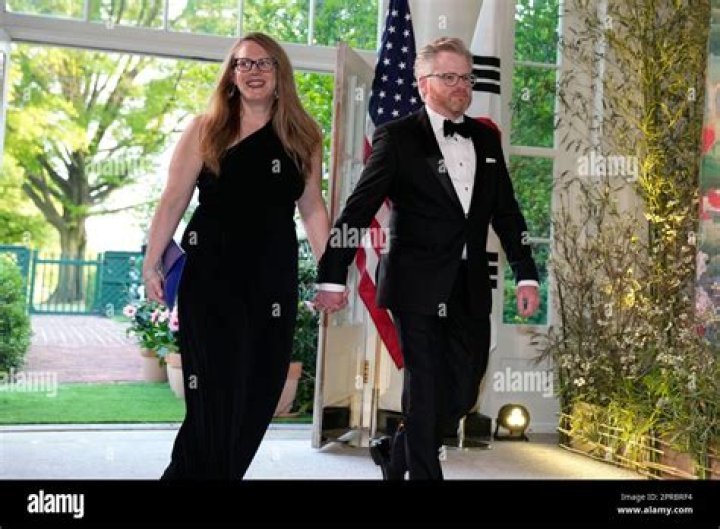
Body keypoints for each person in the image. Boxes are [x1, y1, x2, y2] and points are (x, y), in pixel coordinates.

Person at [312, 37, 540, 480]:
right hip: (414, 283)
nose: (460, 86)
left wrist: (526, 274)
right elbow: (359, 208)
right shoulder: (397, 137)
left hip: (470, 282)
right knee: (426, 382)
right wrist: (332, 276)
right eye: (449, 77)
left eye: (466, 78)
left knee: (464, 388)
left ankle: (395, 451)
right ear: (422, 84)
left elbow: (507, 213)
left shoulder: (485, 139)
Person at [143, 32, 334, 479]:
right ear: (230, 75)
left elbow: (312, 206)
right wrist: (152, 262)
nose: (253, 71)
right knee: (214, 392)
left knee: (261, 391)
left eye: (264, 63)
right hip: (212, 275)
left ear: (280, 73)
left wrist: (330, 275)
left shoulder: (304, 135)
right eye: (243, 63)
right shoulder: (205, 128)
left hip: (273, 277)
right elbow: (173, 198)